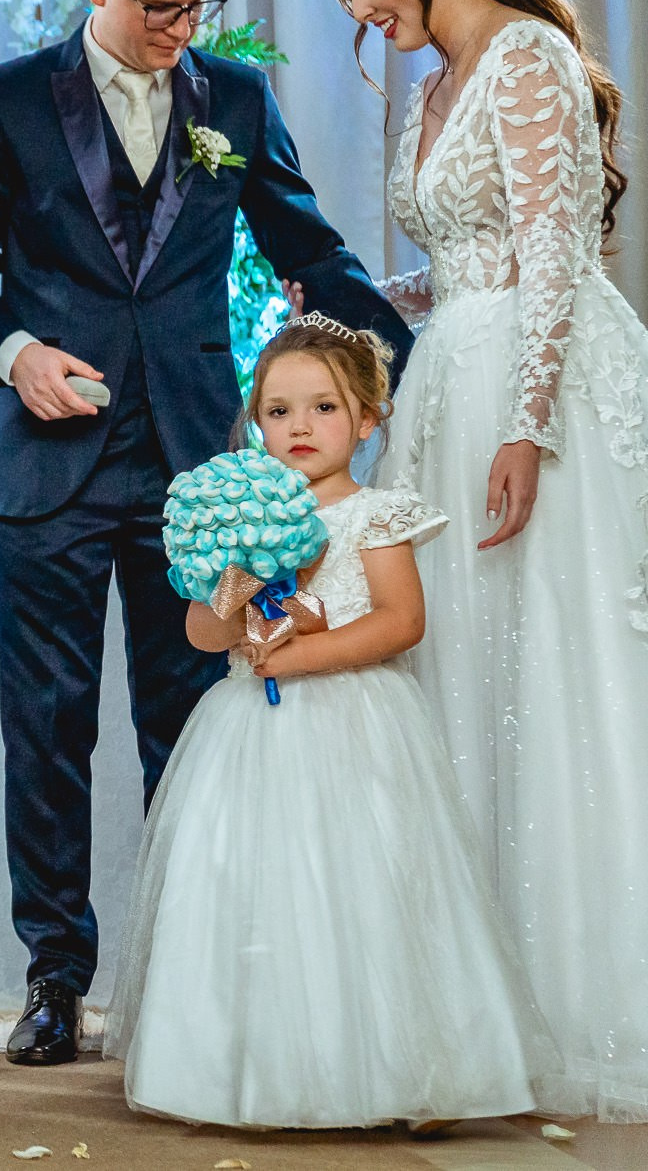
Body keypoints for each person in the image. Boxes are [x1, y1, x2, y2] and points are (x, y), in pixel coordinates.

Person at [0, 0, 412, 1067]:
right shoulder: (6, 101)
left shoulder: (234, 102)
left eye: (195, 6)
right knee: (42, 728)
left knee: (190, 719)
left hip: (198, 467)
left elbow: (306, 247)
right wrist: (17, 350)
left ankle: (189, 974)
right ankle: (54, 977)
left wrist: (410, 353)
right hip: (46, 463)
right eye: (157, 8)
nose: (179, 30)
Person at [319, 0, 648, 1121]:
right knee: (460, 678)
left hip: (535, 387)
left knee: (554, 675)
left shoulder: (524, 56)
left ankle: (585, 1004)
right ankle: (472, 1012)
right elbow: (469, 256)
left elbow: (555, 255)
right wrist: (363, 301)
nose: (360, 9)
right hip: (455, 375)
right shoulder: (435, 84)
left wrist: (527, 432)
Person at [106, 315, 561, 1130]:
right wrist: (235, 582)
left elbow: (399, 621)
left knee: (360, 886)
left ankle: (389, 1067)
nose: (300, 427)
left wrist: (305, 645)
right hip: (249, 736)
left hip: (356, 727)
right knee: (252, 889)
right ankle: (253, 1065)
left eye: (322, 407)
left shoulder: (372, 514)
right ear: (256, 424)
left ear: (366, 419)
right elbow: (203, 634)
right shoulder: (241, 516)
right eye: (278, 412)